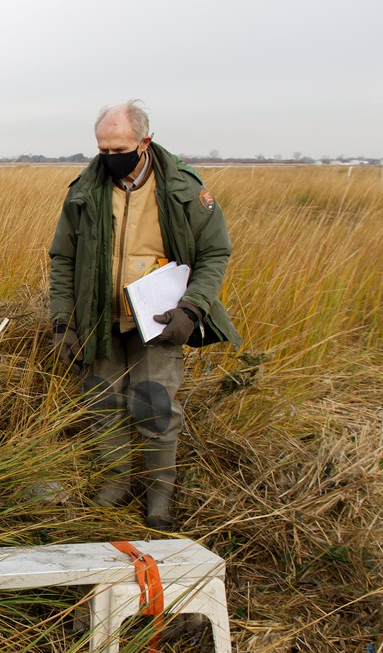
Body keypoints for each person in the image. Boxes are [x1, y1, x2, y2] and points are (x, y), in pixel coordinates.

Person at [48, 101, 240, 531]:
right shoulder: (83, 191)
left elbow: (214, 254)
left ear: (144, 142)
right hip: (99, 319)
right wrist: (63, 321)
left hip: (159, 321)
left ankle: (158, 500)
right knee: (102, 403)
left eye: (120, 148)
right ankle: (115, 487)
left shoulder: (185, 190)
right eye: (103, 149)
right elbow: (63, 258)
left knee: (154, 406)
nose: (111, 158)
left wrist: (192, 309)